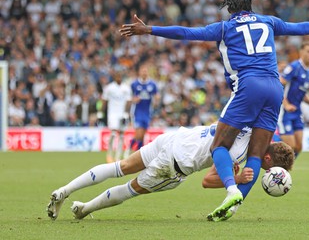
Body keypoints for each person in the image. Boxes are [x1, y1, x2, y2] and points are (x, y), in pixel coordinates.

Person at [119, 0, 309, 220]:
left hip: (249, 85)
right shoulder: (268, 21)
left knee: (218, 145)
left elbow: (186, 33)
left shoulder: (225, 27)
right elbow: (299, 28)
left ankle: (231, 189)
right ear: (250, 5)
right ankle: (233, 206)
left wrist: (149, 29)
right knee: (257, 154)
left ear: (229, 9)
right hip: (274, 88)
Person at [46, 123, 294, 221]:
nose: (264, 171)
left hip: (177, 137)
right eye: (268, 168)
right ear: (268, 158)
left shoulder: (249, 125)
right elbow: (207, 182)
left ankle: (64, 190)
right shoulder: (241, 154)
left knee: (118, 167)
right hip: (176, 163)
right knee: (131, 189)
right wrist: (237, 179)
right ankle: (84, 210)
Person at [278, 40, 309, 158]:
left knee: (299, 147)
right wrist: (286, 104)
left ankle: (284, 171)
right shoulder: (294, 67)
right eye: (308, 51)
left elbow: (302, 92)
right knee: (289, 147)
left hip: (297, 112)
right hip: (285, 111)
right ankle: (271, 146)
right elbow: (278, 85)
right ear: (301, 52)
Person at [124, 64, 159, 158]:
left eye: (145, 71)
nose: (144, 73)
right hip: (137, 112)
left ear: (147, 72)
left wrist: (156, 100)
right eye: (142, 71)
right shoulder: (134, 84)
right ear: (139, 72)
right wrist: (133, 100)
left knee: (143, 135)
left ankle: (138, 154)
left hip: (147, 112)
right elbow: (128, 97)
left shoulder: (152, 84)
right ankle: (128, 150)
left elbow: (156, 96)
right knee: (138, 134)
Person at [101, 70, 133, 163]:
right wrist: (101, 112)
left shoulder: (126, 88)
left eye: (120, 76)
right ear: (114, 77)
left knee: (122, 135)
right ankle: (109, 154)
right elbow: (104, 100)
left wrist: (126, 113)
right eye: (117, 76)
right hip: (112, 113)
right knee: (113, 133)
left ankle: (118, 156)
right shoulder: (109, 88)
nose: (118, 78)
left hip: (122, 113)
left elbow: (129, 101)